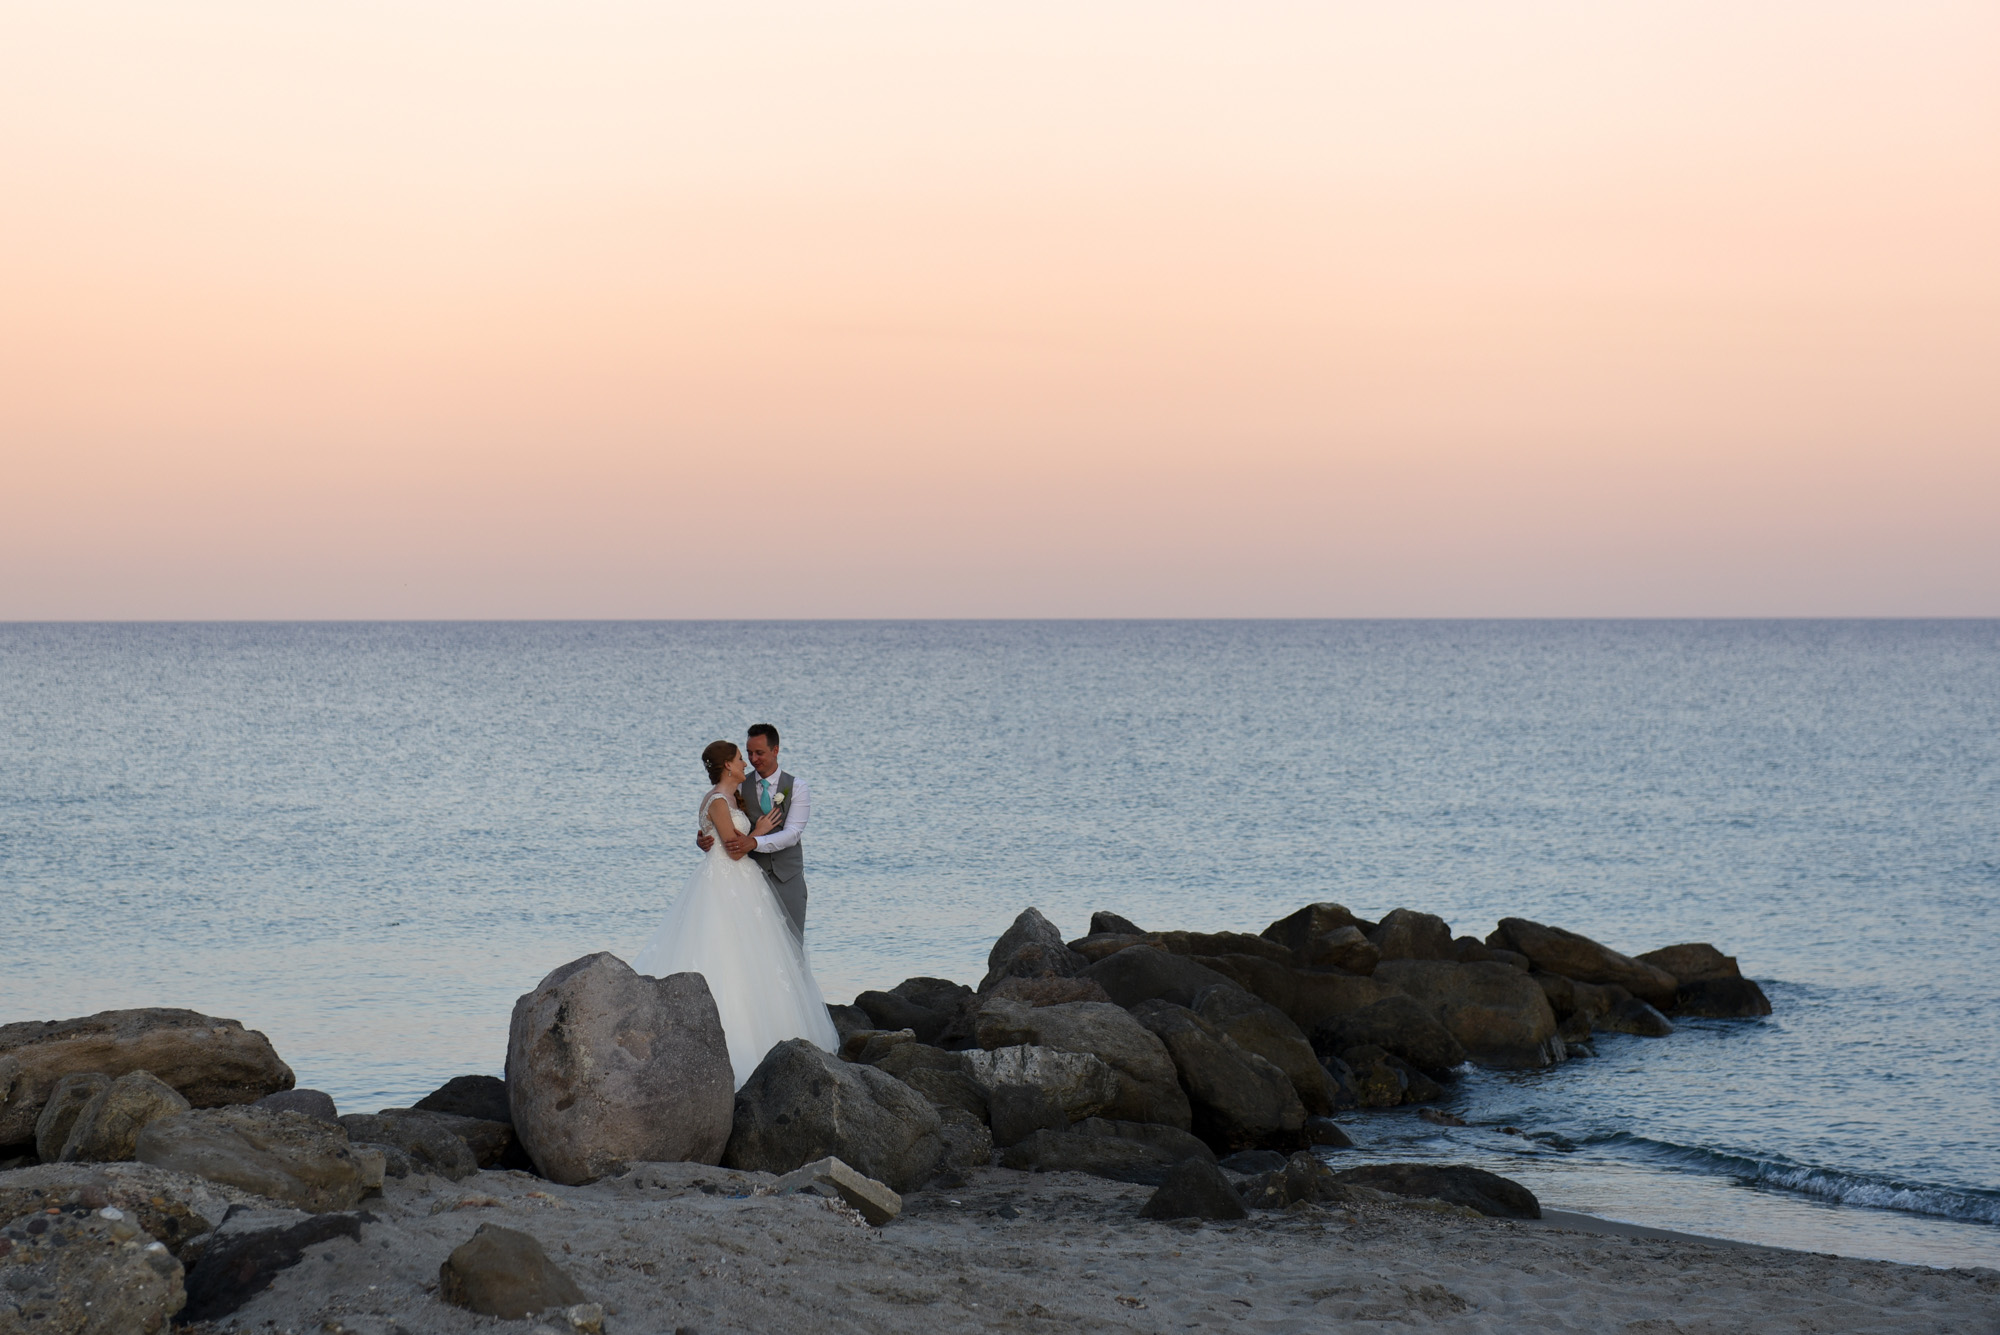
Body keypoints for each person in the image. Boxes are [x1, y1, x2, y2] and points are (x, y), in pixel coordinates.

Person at [634, 740, 838, 1087]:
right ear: (728, 765)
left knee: (755, 956)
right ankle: (739, 1043)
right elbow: (732, 849)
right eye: (741, 758)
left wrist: (724, 837)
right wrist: (755, 833)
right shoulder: (717, 799)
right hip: (728, 882)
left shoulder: (734, 795)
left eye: (751, 755)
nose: (747, 762)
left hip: (744, 883)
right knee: (726, 953)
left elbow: (736, 836)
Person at [695, 723, 811, 941]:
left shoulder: (797, 787)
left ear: (775, 750)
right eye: (748, 753)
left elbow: (793, 833)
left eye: (759, 753)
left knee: (791, 945)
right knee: (754, 944)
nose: (752, 759)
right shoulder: (737, 785)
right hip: (748, 878)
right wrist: (704, 837)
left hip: (788, 879)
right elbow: (719, 818)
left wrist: (755, 842)